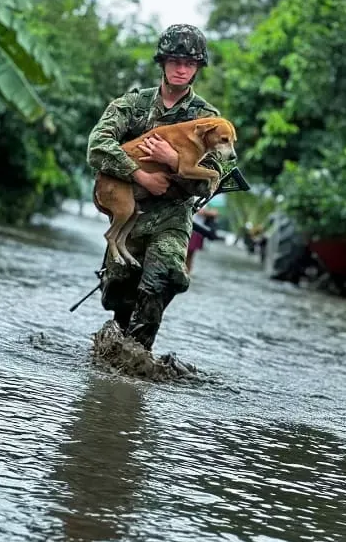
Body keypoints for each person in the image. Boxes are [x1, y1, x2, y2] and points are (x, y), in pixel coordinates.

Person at [86, 24, 236, 351]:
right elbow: (97, 146)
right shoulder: (133, 104)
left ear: (197, 68)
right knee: (119, 292)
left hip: (173, 214)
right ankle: (114, 359)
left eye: (190, 63)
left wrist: (173, 162)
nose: (182, 69)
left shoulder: (208, 119)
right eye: (175, 61)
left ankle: (137, 359)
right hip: (132, 209)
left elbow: (220, 176)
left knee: (161, 278)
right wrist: (140, 175)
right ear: (163, 63)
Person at [186, 206, 219, 274]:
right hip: (190, 227)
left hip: (196, 230)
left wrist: (206, 212)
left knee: (190, 255)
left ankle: (187, 272)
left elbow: (214, 212)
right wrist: (208, 213)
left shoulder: (206, 201)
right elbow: (200, 212)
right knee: (187, 254)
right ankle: (186, 271)